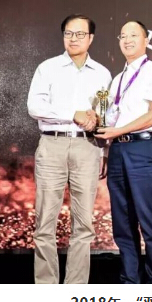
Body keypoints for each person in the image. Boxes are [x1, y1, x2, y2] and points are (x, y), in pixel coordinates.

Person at [27, 14, 111, 284]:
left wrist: (102, 146)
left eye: (80, 34)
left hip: (88, 146)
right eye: (68, 33)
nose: (73, 39)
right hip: (52, 144)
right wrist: (72, 114)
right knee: (45, 223)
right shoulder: (48, 68)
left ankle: (76, 289)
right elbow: (35, 107)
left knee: (84, 224)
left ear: (91, 38)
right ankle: (47, 287)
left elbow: (104, 114)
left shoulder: (102, 73)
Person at [95, 20, 152, 284]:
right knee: (122, 224)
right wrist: (106, 152)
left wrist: (117, 132)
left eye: (133, 35)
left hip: (144, 148)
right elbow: (112, 119)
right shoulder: (117, 79)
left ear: (146, 40)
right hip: (118, 150)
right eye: (123, 36)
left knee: (149, 220)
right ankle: (130, 283)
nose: (127, 40)